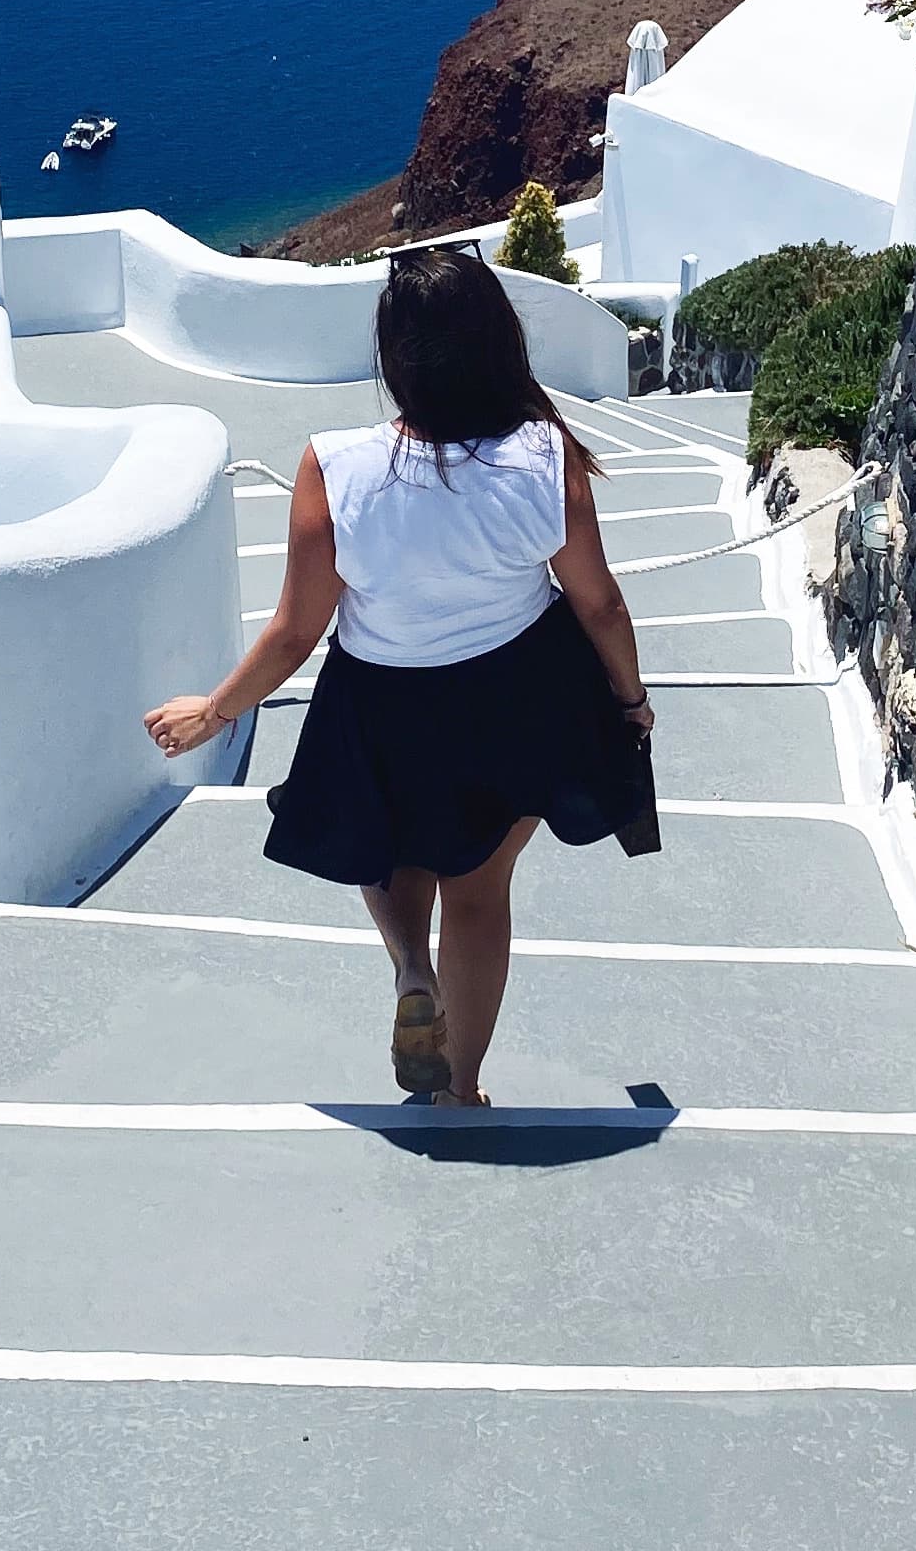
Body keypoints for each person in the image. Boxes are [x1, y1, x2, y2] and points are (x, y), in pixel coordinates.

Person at [144, 243, 656, 1106]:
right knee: (481, 891)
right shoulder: (544, 454)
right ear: (498, 342)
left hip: (381, 702)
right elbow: (599, 605)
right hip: (516, 697)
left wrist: (217, 710)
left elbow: (295, 630)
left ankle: (412, 970)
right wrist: (630, 699)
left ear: (394, 359)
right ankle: (461, 1088)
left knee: (390, 850)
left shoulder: (333, 466)